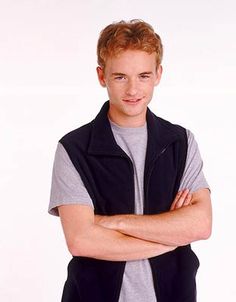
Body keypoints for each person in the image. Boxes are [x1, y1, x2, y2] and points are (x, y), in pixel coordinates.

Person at [49, 19, 212, 302]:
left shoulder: (180, 142)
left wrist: (112, 224)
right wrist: (170, 236)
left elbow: (200, 225)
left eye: (144, 76)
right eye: (120, 76)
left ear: (158, 74)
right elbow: (81, 240)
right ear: (102, 76)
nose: (133, 90)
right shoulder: (74, 148)